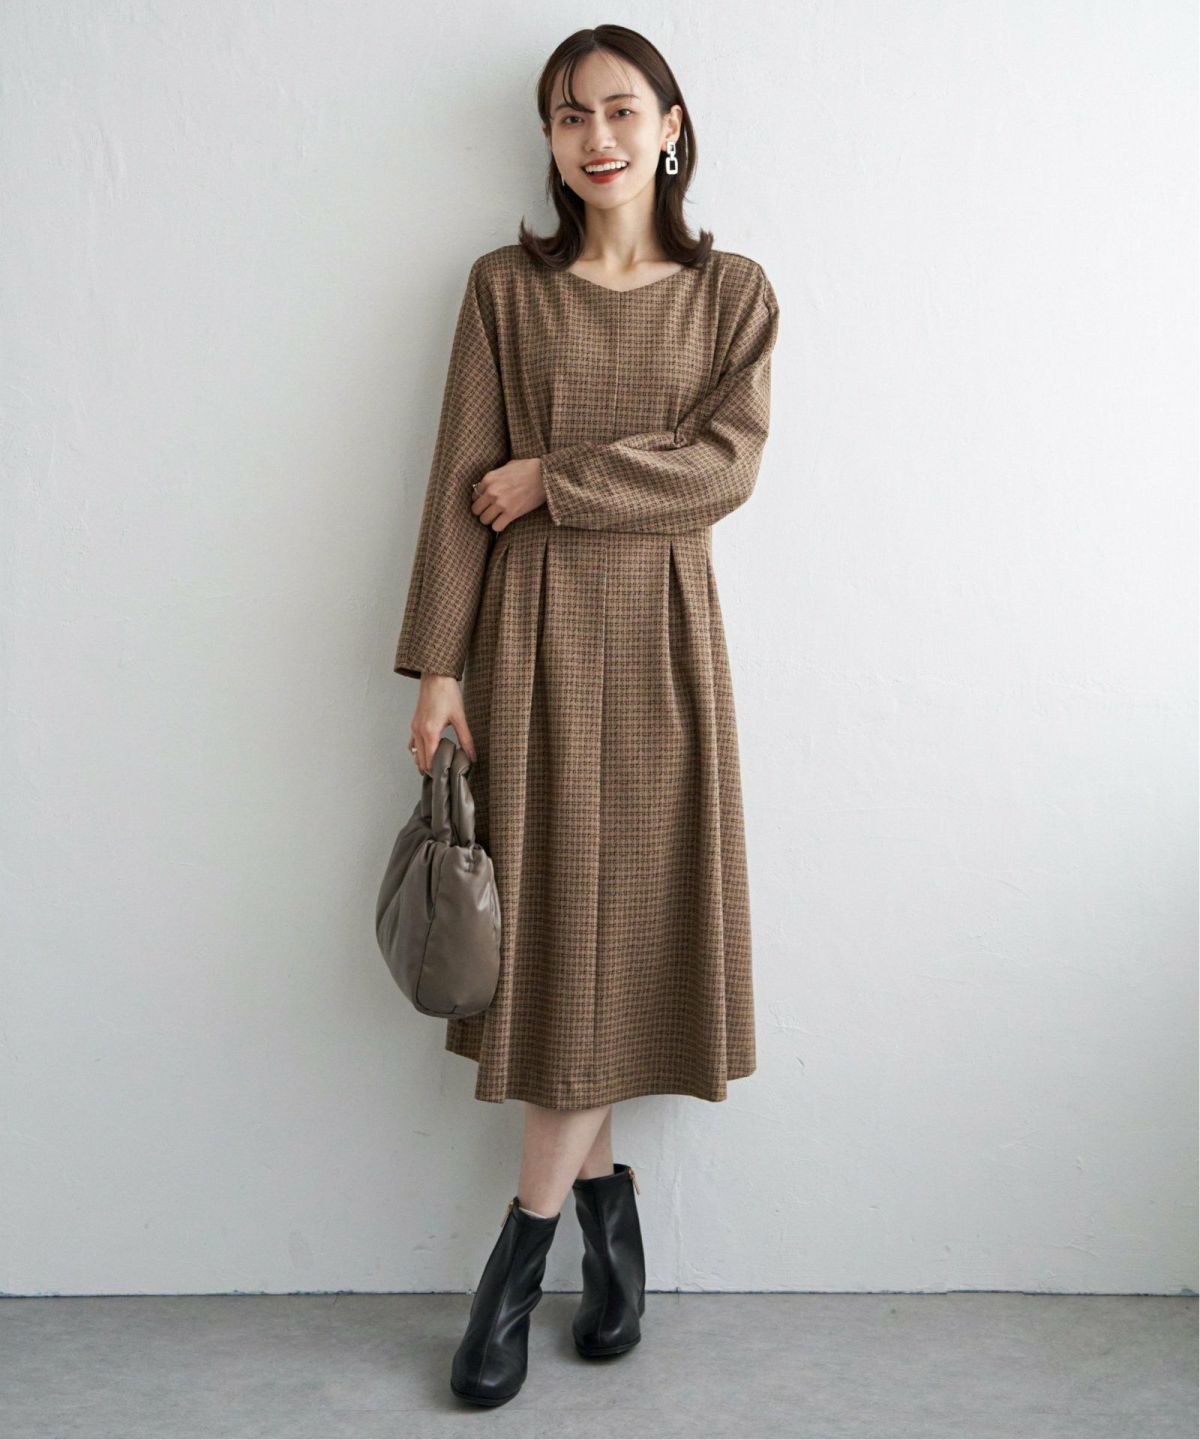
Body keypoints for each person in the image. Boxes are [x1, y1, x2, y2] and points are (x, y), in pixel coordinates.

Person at [391, 24, 780, 1406]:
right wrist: (438, 667)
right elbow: (460, 480)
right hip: (528, 642)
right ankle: (605, 1243)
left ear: (671, 124)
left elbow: (721, 467)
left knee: (613, 944)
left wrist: (556, 476)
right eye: (568, 116)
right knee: (561, 948)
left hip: (664, 646)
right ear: (549, 142)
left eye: (620, 110)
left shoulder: (732, 293)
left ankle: (522, 1258)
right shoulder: (505, 289)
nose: (595, 137)